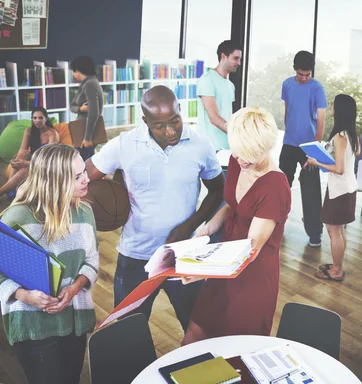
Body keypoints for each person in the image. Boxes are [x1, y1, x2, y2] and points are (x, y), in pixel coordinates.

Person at [85, 85, 225, 331]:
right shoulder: (124, 145)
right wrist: (115, 187)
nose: (170, 131)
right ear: (145, 121)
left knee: (199, 328)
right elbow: (83, 177)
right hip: (136, 255)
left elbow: (217, 189)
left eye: (175, 121)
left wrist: (189, 226)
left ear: (180, 110)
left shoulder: (200, 144)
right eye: (159, 126)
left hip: (183, 254)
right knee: (128, 330)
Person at [182, 107, 291, 344]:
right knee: (196, 331)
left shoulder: (275, 187)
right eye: (237, 152)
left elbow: (250, 250)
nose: (241, 160)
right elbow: (234, 204)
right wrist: (209, 227)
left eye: (249, 155)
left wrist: (202, 269)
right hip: (222, 261)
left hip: (250, 276)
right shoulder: (238, 159)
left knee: (238, 350)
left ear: (268, 147)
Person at [0, 144, 97, 384]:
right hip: (34, 326)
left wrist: (75, 287)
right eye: (77, 177)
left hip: (75, 323)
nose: (86, 179)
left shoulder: (85, 212)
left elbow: (92, 259)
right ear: (54, 181)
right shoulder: (17, 217)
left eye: (84, 171)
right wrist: (24, 295)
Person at [306, 94, 360, 281]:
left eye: (334, 106)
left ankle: (337, 270)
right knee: (339, 229)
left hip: (340, 190)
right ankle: (338, 266)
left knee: (333, 230)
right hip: (348, 187)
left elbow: (338, 168)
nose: (331, 109)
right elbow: (352, 156)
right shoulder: (351, 134)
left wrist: (316, 162)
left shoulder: (340, 136)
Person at [279, 50, 327, 247]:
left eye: (307, 75)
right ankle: (276, 225)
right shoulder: (287, 84)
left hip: (309, 147)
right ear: (294, 70)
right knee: (281, 188)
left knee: (311, 191)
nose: (304, 78)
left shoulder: (317, 88)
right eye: (301, 74)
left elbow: (322, 119)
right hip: (289, 144)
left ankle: (315, 233)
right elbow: (287, 110)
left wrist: (314, 149)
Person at [0, 107, 59, 198]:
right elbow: (22, 150)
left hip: (47, 164)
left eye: (40, 118)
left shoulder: (52, 134)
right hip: (34, 159)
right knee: (22, 154)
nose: (37, 120)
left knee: (24, 170)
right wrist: (15, 160)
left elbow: (48, 159)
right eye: (34, 118)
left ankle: (3, 191)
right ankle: (10, 188)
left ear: (46, 118)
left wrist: (27, 163)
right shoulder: (29, 130)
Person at [197, 40, 242, 151]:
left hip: (226, 147)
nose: (239, 63)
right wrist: (239, 133)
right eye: (236, 58)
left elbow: (227, 116)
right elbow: (214, 117)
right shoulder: (207, 80)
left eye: (240, 59)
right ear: (223, 56)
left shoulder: (230, 85)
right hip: (210, 148)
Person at [69, 55, 104, 160]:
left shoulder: (90, 84)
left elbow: (94, 113)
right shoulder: (86, 83)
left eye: (73, 71)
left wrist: (87, 138)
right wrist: (79, 109)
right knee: (86, 160)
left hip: (87, 132)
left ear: (78, 70)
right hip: (81, 129)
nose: (73, 74)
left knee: (82, 162)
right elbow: (72, 106)